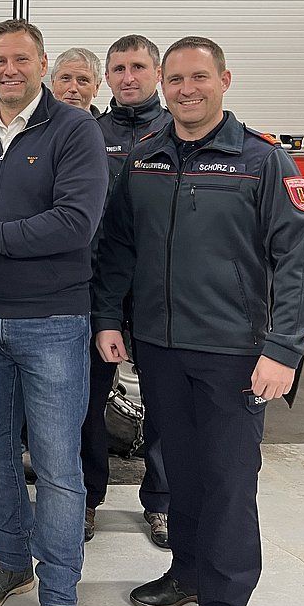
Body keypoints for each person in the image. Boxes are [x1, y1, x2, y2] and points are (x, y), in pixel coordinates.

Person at [93, 36, 304, 606]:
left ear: (224, 80)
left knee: (229, 480)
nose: (186, 90)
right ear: (162, 87)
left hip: (234, 352)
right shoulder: (144, 158)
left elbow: (296, 262)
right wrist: (109, 316)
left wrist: (283, 349)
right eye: (176, 80)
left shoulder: (262, 161)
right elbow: (118, 247)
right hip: (159, 348)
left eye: (199, 77)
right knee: (181, 471)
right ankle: (187, 572)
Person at [0, 19, 108, 606]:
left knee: (56, 465)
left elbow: (75, 223)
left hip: (53, 321)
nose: (9, 70)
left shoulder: (75, 130)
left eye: (21, 59)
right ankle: (10, 561)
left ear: (42, 64)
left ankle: (59, 597)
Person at [82, 34, 173, 547]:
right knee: (88, 401)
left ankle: (161, 501)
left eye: (138, 67)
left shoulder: (178, 131)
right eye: (119, 69)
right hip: (100, 289)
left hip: (160, 290)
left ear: (156, 73)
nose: (128, 77)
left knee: (164, 403)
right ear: (107, 78)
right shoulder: (89, 133)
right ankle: (88, 497)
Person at [50, 48, 103, 116]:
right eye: (65, 78)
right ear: (53, 83)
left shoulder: (106, 123)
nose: (73, 89)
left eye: (83, 80)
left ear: (96, 87)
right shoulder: (37, 121)